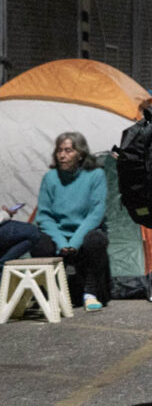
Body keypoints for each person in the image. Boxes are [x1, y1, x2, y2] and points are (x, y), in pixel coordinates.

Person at [30, 132, 110, 311]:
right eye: (59, 150)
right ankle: (50, 293)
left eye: (68, 150)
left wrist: (74, 242)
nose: (62, 155)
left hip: (83, 233)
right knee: (38, 242)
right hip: (58, 234)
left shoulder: (95, 175)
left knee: (96, 239)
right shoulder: (50, 178)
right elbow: (44, 215)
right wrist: (61, 242)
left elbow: (95, 214)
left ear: (80, 154)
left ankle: (90, 293)